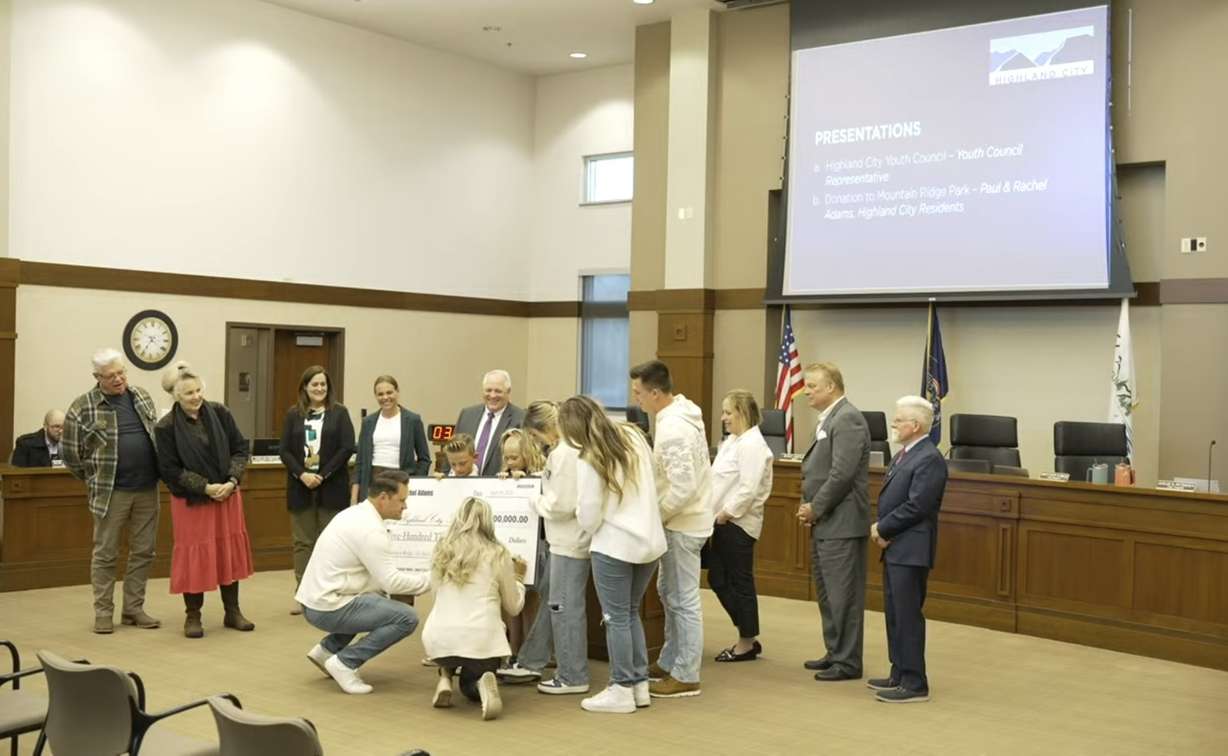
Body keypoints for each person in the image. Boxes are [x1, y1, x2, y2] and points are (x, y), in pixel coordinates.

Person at [564, 395, 665, 714]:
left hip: (614, 545)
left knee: (616, 617)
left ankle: (621, 687)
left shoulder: (589, 456)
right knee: (630, 611)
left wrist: (577, 513)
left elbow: (590, 515)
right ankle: (638, 685)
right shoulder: (634, 436)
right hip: (650, 540)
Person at [297, 471, 430, 695]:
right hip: (326, 607)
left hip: (314, 601)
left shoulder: (355, 513)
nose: (405, 507)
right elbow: (393, 584)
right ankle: (346, 662)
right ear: (384, 498)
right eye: (402, 500)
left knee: (377, 599)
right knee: (407, 617)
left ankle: (327, 650)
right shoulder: (370, 530)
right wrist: (434, 579)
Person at [62, 348, 162, 634]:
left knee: (144, 551)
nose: (119, 379)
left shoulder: (141, 395)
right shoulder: (83, 407)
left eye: (122, 372)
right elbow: (71, 455)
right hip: (111, 493)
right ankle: (103, 613)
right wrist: (96, 479)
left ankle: (133, 609)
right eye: (111, 376)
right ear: (97, 377)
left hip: (147, 488)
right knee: (106, 554)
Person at [628, 360, 712, 699]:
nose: (636, 400)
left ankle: (687, 672)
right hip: (682, 521)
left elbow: (682, 486)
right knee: (669, 592)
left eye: (638, 393)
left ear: (655, 392)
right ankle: (669, 659)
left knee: (683, 599)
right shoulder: (674, 415)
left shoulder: (674, 427)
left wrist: (655, 516)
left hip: (683, 522)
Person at [154, 362, 256, 638]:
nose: (196, 396)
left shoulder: (220, 413)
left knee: (227, 552)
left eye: (199, 390)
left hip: (227, 495)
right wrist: (206, 488)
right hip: (192, 501)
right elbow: (170, 470)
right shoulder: (165, 427)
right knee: (194, 555)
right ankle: (193, 616)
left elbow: (240, 448)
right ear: (177, 396)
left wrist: (232, 481)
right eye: (189, 393)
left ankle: (232, 611)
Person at [498, 401, 592, 696]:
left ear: (542, 429)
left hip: (568, 540)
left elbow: (560, 504)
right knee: (556, 601)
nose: (537, 444)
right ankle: (532, 660)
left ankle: (573, 675)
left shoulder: (564, 453)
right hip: (567, 539)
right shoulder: (573, 448)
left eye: (535, 438)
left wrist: (534, 501)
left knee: (565, 608)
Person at [868, 396, 948, 704]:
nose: (893, 425)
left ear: (915, 426)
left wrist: (883, 528)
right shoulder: (905, 454)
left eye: (898, 420)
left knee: (907, 615)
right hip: (897, 546)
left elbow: (918, 505)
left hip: (911, 548)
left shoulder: (929, 458)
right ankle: (899, 671)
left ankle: (915, 683)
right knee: (894, 613)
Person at [796, 362, 871, 682]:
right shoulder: (829, 418)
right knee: (828, 594)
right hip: (826, 521)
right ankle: (835, 652)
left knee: (844, 596)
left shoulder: (848, 418)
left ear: (831, 387)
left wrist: (816, 507)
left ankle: (848, 662)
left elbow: (842, 474)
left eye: (812, 386)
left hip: (841, 521)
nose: (806, 392)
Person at [422, 496, 527, 720]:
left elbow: (435, 594)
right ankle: (481, 682)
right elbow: (513, 607)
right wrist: (518, 578)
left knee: (451, 645)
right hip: (482, 640)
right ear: (488, 522)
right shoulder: (498, 553)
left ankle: (445, 678)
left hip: (439, 640)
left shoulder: (441, 549)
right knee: (470, 685)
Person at [281, 365, 356, 615]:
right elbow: (284, 451)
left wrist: (322, 475)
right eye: (314, 384)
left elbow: (347, 448)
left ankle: (329, 593)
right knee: (303, 543)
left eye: (323, 384)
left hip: (332, 487)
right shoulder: (293, 414)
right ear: (305, 387)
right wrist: (302, 474)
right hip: (300, 487)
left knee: (331, 543)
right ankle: (303, 594)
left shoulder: (340, 413)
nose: (319, 389)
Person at [708, 389, 774, 663]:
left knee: (739, 581)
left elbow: (748, 489)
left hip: (737, 523)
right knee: (717, 578)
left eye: (728, 412)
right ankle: (747, 632)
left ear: (743, 413)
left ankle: (746, 641)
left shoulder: (752, 445)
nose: (723, 418)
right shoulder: (733, 441)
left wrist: (726, 514)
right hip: (721, 521)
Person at [494, 428, 546, 660]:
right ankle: (513, 650)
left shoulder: (541, 475)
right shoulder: (504, 475)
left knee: (532, 600)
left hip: (537, 546)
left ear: (528, 454)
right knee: (511, 598)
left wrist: (527, 483)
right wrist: (504, 484)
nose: (510, 462)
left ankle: (532, 652)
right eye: (506, 457)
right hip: (510, 547)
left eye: (515, 457)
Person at [352, 375, 432, 503]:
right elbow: (360, 462)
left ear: (397, 392)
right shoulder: (368, 422)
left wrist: (414, 483)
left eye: (389, 392)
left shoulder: (412, 420)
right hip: (372, 482)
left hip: (400, 482)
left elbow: (424, 459)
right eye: (380, 394)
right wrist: (354, 497)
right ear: (376, 396)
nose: (385, 397)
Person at [451, 370, 526, 476]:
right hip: (465, 487)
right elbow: (453, 450)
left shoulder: (520, 419)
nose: (492, 395)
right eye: (488, 390)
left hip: (500, 486)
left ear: (508, 392)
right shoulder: (467, 415)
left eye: (498, 391)